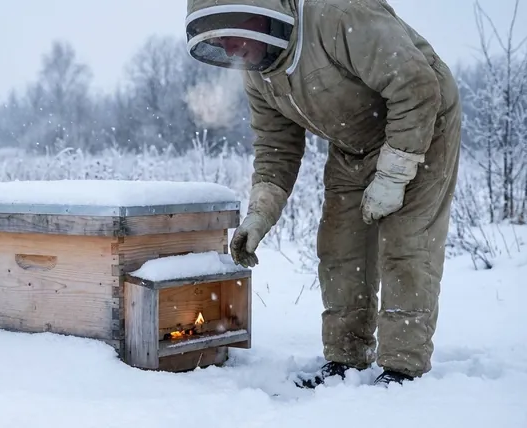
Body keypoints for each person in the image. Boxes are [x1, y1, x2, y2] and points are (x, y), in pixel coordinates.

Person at [185, 0, 461, 387]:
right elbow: (276, 150)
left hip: (423, 125)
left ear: (262, 11)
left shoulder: (338, 14)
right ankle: (345, 360)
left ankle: (403, 368)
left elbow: (416, 86)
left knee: (406, 247)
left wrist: (395, 172)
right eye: (218, 38)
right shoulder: (259, 76)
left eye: (230, 30)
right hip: (352, 146)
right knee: (340, 249)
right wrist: (259, 214)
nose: (228, 48)